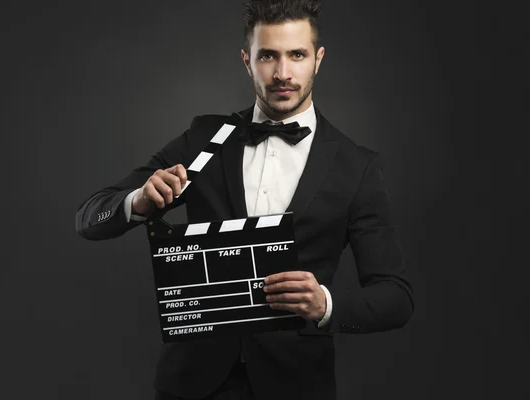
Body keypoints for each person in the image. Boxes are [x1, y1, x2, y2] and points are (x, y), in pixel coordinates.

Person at [75, 0, 414, 399]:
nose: (282, 73)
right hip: (192, 384)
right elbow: (90, 217)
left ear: (318, 59)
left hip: (296, 384)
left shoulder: (356, 166)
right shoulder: (204, 139)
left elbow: (395, 297)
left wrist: (324, 305)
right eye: (268, 55)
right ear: (247, 60)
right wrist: (139, 201)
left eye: (297, 55)